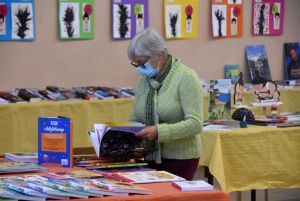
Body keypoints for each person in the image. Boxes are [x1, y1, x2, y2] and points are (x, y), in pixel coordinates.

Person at [127, 27, 203, 181]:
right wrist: (121, 133)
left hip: (180, 160)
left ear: (159, 55)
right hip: (147, 157)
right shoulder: (143, 80)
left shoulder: (186, 77)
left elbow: (195, 123)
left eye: (142, 63)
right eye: (136, 64)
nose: (140, 69)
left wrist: (159, 132)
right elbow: (135, 117)